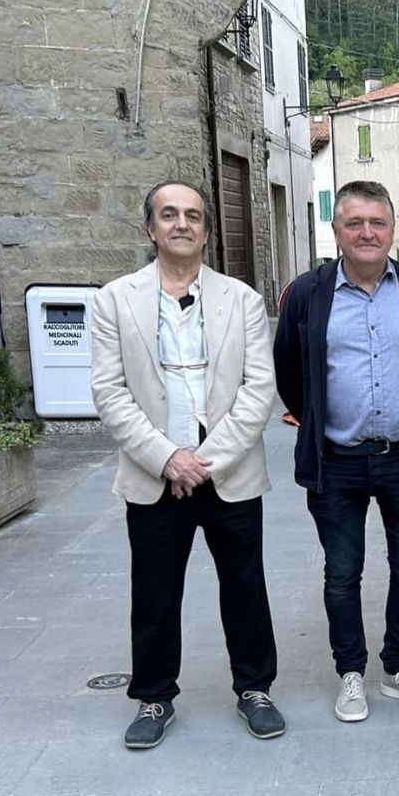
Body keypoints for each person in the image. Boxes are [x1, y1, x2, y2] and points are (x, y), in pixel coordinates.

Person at [90, 180, 283, 749]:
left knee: (245, 586)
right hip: (155, 476)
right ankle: (154, 697)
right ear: (150, 228)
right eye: (169, 214)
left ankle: (255, 689)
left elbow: (258, 390)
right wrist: (167, 458)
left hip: (229, 473)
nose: (182, 224)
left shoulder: (242, 301)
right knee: (153, 591)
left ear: (206, 229)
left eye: (193, 215)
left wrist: (206, 461)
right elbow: (109, 391)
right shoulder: (115, 300)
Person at [273, 180, 399, 722]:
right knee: (342, 574)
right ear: (337, 231)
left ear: (393, 230)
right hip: (338, 461)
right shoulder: (307, 293)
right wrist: (316, 418)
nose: (367, 233)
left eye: (377, 223)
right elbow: (289, 369)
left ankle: (396, 667)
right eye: (355, 223)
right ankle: (350, 673)